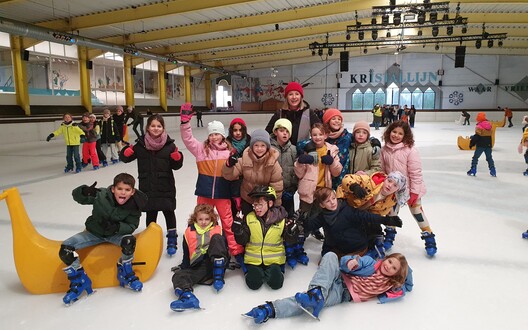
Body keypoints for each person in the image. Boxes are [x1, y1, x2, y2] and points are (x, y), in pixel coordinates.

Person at [244, 251, 412, 324]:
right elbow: (352, 260)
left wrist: (405, 269)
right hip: (339, 276)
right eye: (390, 261)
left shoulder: (391, 285)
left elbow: (407, 285)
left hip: (342, 294)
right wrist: (352, 262)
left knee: (307, 303)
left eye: (394, 268)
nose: (389, 266)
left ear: (397, 274)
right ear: (385, 259)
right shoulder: (371, 263)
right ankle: (316, 293)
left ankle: (269, 310)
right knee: (331, 255)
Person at [57, 173, 148, 305]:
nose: (123, 193)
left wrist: (116, 227)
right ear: (113, 189)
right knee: (65, 249)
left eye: (127, 190)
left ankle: (126, 275)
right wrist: (83, 191)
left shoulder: (135, 204)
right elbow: (78, 197)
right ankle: (80, 281)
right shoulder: (101, 195)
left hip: (115, 235)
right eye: (120, 189)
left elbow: (132, 225)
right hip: (94, 233)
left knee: (129, 241)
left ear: (132, 192)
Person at [180, 103, 245, 260]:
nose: (214, 137)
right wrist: (185, 123)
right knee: (201, 222)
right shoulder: (201, 149)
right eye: (211, 134)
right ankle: (200, 249)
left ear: (223, 135)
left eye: (217, 134)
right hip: (205, 194)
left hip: (223, 194)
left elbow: (235, 175)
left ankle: (235, 251)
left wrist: (236, 195)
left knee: (228, 224)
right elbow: (188, 139)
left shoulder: (230, 152)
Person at [120, 114, 184, 256]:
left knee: (169, 212)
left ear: (163, 128)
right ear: (148, 127)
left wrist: (178, 158)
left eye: (159, 126)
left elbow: (176, 166)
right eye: (153, 125)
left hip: (165, 185)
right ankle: (151, 239)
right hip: (147, 186)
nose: (156, 128)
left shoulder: (169, 145)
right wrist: (126, 152)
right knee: (151, 213)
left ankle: (172, 239)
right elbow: (125, 159)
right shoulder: (141, 145)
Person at [381, 120, 437, 257]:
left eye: (400, 133)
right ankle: (389, 236)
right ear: (389, 132)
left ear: (405, 136)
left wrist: (414, 193)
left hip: (410, 189)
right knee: (391, 213)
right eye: (394, 132)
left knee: (418, 213)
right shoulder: (384, 150)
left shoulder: (410, 150)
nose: (396, 135)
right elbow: (383, 170)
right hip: (393, 190)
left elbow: (416, 173)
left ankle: (429, 239)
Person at [304, 186, 403, 259]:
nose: (333, 202)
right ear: (322, 205)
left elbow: (367, 216)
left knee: (351, 268)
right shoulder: (323, 216)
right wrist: (302, 220)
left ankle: (373, 246)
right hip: (337, 249)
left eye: (333, 198)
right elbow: (310, 225)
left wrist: (387, 220)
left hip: (356, 248)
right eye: (328, 201)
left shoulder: (347, 210)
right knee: (327, 263)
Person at [231, 186, 296, 290]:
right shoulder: (249, 218)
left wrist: (292, 232)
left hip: (274, 260)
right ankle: (254, 272)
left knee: (276, 284)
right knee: (253, 284)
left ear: (270, 204)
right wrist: (238, 230)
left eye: (260, 205)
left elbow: (289, 240)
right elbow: (242, 240)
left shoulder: (281, 219)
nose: (257, 208)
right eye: (255, 205)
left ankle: (276, 271)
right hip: (253, 259)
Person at [169, 204, 229, 311]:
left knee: (217, 238)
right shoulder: (188, 232)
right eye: (200, 219)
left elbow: (224, 249)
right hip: (200, 266)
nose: (204, 222)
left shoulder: (217, 230)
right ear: (195, 218)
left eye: (207, 219)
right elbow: (186, 253)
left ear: (212, 218)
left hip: (214, 262)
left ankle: (218, 277)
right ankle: (188, 298)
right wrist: (183, 267)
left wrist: (226, 262)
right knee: (178, 277)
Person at [336, 171, 409, 258]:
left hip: (359, 211)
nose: (390, 185)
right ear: (385, 179)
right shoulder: (370, 182)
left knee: (372, 224)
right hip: (344, 202)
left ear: (397, 190)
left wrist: (386, 220)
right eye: (389, 181)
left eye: (395, 185)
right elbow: (346, 178)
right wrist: (354, 186)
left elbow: (376, 213)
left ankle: (376, 245)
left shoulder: (391, 201)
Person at [222, 129, 283, 217]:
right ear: (252, 146)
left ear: (267, 147)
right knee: (249, 224)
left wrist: (275, 205)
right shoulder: (244, 160)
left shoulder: (273, 164)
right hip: (248, 200)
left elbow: (277, 186)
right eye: (256, 145)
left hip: (264, 203)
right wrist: (228, 165)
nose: (259, 148)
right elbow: (229, 175)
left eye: (263, 145)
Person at [294, 123, 342, 216]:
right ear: (311, 136)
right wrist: (300, 162)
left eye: (320, 134)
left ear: (326, 135)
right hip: (307, 191)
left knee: (322, 217)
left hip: (324, 191)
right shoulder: (307, 150)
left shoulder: (331, 150)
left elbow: (337, 172)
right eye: (314, 135)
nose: (317, 137)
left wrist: (332, 162)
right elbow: (299, 174)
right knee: (305, 217)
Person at [270, 119, 298, 218]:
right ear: (275, 132)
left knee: (289, 218)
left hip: (288, 190)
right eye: (282, 131)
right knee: (274, 217)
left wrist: (293, 188)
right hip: (273, 192)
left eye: (287, 132)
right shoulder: (269, 148)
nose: (285, 134)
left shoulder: (293, 149)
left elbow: (296, 170)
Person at [226, 118, 252, 218]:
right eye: (235, 130)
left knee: (247, 210)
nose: (238, 133)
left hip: (246, 181)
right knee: (232, 211)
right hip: (231, 183)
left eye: (240, 130)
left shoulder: (250, 143)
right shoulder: (226, 143)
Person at [467, 112, 496, 177]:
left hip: (480, 145)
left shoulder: (479, 126)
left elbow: (477, 136)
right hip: (488, 145)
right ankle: (493, 170)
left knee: (475, 157)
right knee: (489, 158)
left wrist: (472, 143)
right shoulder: (489, 125)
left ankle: (473, 169)